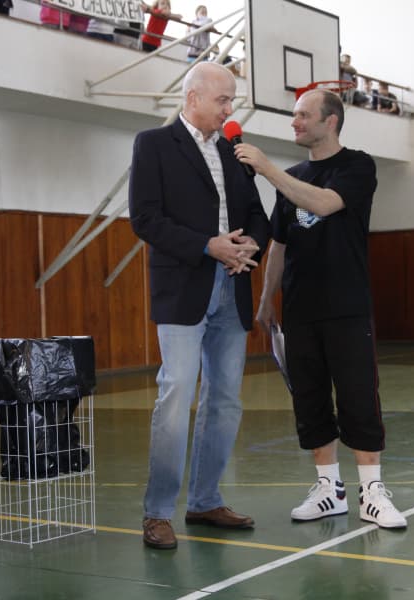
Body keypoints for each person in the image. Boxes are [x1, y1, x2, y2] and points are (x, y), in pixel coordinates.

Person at [233, 89, 408, 529]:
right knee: (309, 401)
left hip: (347, 307)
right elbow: (280, 243)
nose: (294, 122)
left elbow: (324, 204)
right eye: (293, 115)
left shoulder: (357, 166)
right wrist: (267, 298)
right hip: (300, 310)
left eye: (303, 115)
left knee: (357, 398)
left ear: (330, 121)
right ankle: (329, 489)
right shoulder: (291, 176)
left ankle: (372, 493)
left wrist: (267, 169)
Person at [128, 62, 271, 550]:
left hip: (233, 286)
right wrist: (208, 246)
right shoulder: (153, 144)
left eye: (232, 100)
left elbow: (258, 215)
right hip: (184, 287)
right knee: (176, 395)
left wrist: (250, 245)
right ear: (192, 98)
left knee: (225, 399)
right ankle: (158, 512)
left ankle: (206, 500)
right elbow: (145, 219)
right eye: (222, 100)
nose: (230, 109)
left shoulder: (235, 151)